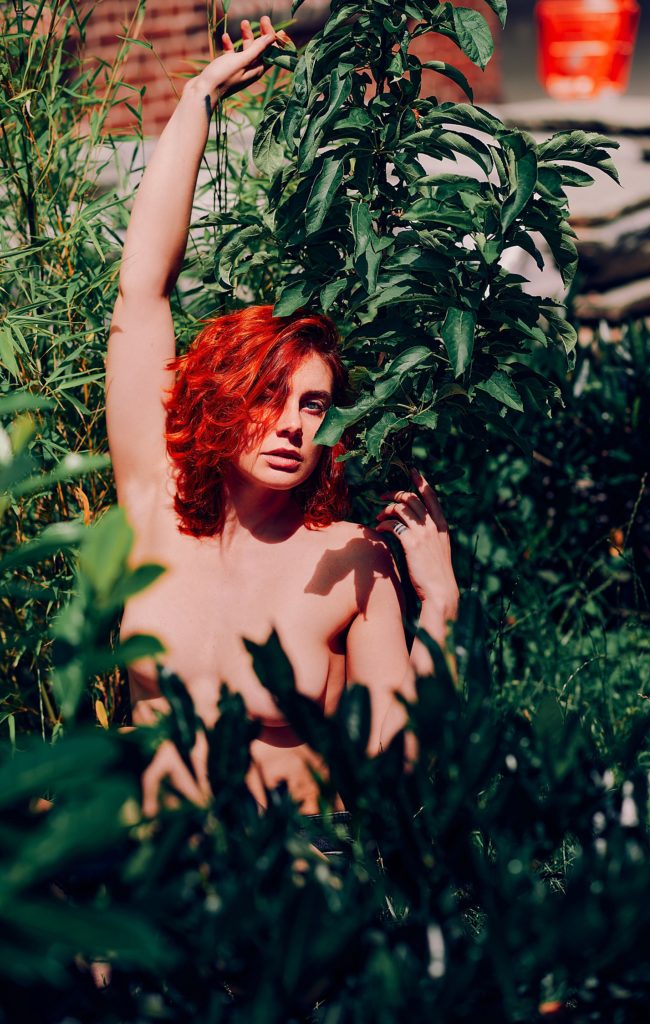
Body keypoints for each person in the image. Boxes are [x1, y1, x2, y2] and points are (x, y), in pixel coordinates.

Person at [105, 15, 459, 823]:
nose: (295, 424)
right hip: (151, 879)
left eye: (314, 404)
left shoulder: (349, 558)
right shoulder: (154, 505)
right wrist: (198, 96)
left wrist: (438, 603)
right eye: (270, 397)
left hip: (290, 883)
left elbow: (394, 769)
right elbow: (141, 291)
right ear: (224, 398)